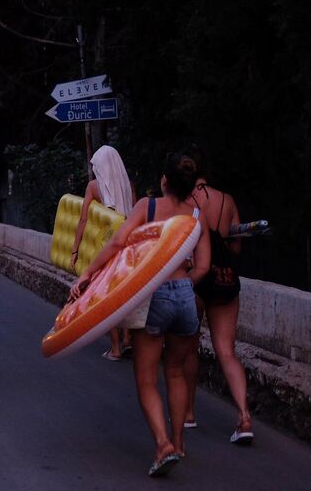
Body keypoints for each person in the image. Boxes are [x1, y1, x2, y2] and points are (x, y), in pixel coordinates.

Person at [69, 154, 210, 476]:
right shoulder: (197, 216)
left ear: (163, 180)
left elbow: (119, 242)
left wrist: (88, 273)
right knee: (175, 372)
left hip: (154, 295)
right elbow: (202, 266)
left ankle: (162, 445)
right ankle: (179, 441)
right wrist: (181, 286)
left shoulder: (147, 207)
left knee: (146, 378)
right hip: (186, 296)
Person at [184, 175, 253, 443]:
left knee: (189, 348)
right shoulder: (227, 200)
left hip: (196, 279)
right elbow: (236, 247)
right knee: (227, 352)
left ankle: (188, 413)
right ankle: (244, 416)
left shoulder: (183, 200)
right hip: (224, 280)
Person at [70, 145, 135, 361]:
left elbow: (83, 219)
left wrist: (75, 249)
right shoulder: (128, 185)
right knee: (125, 293)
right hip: (128, 246)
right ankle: (127, 339)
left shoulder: (94, 186)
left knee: (106, 296)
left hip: (106, 248)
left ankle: (115, 349)